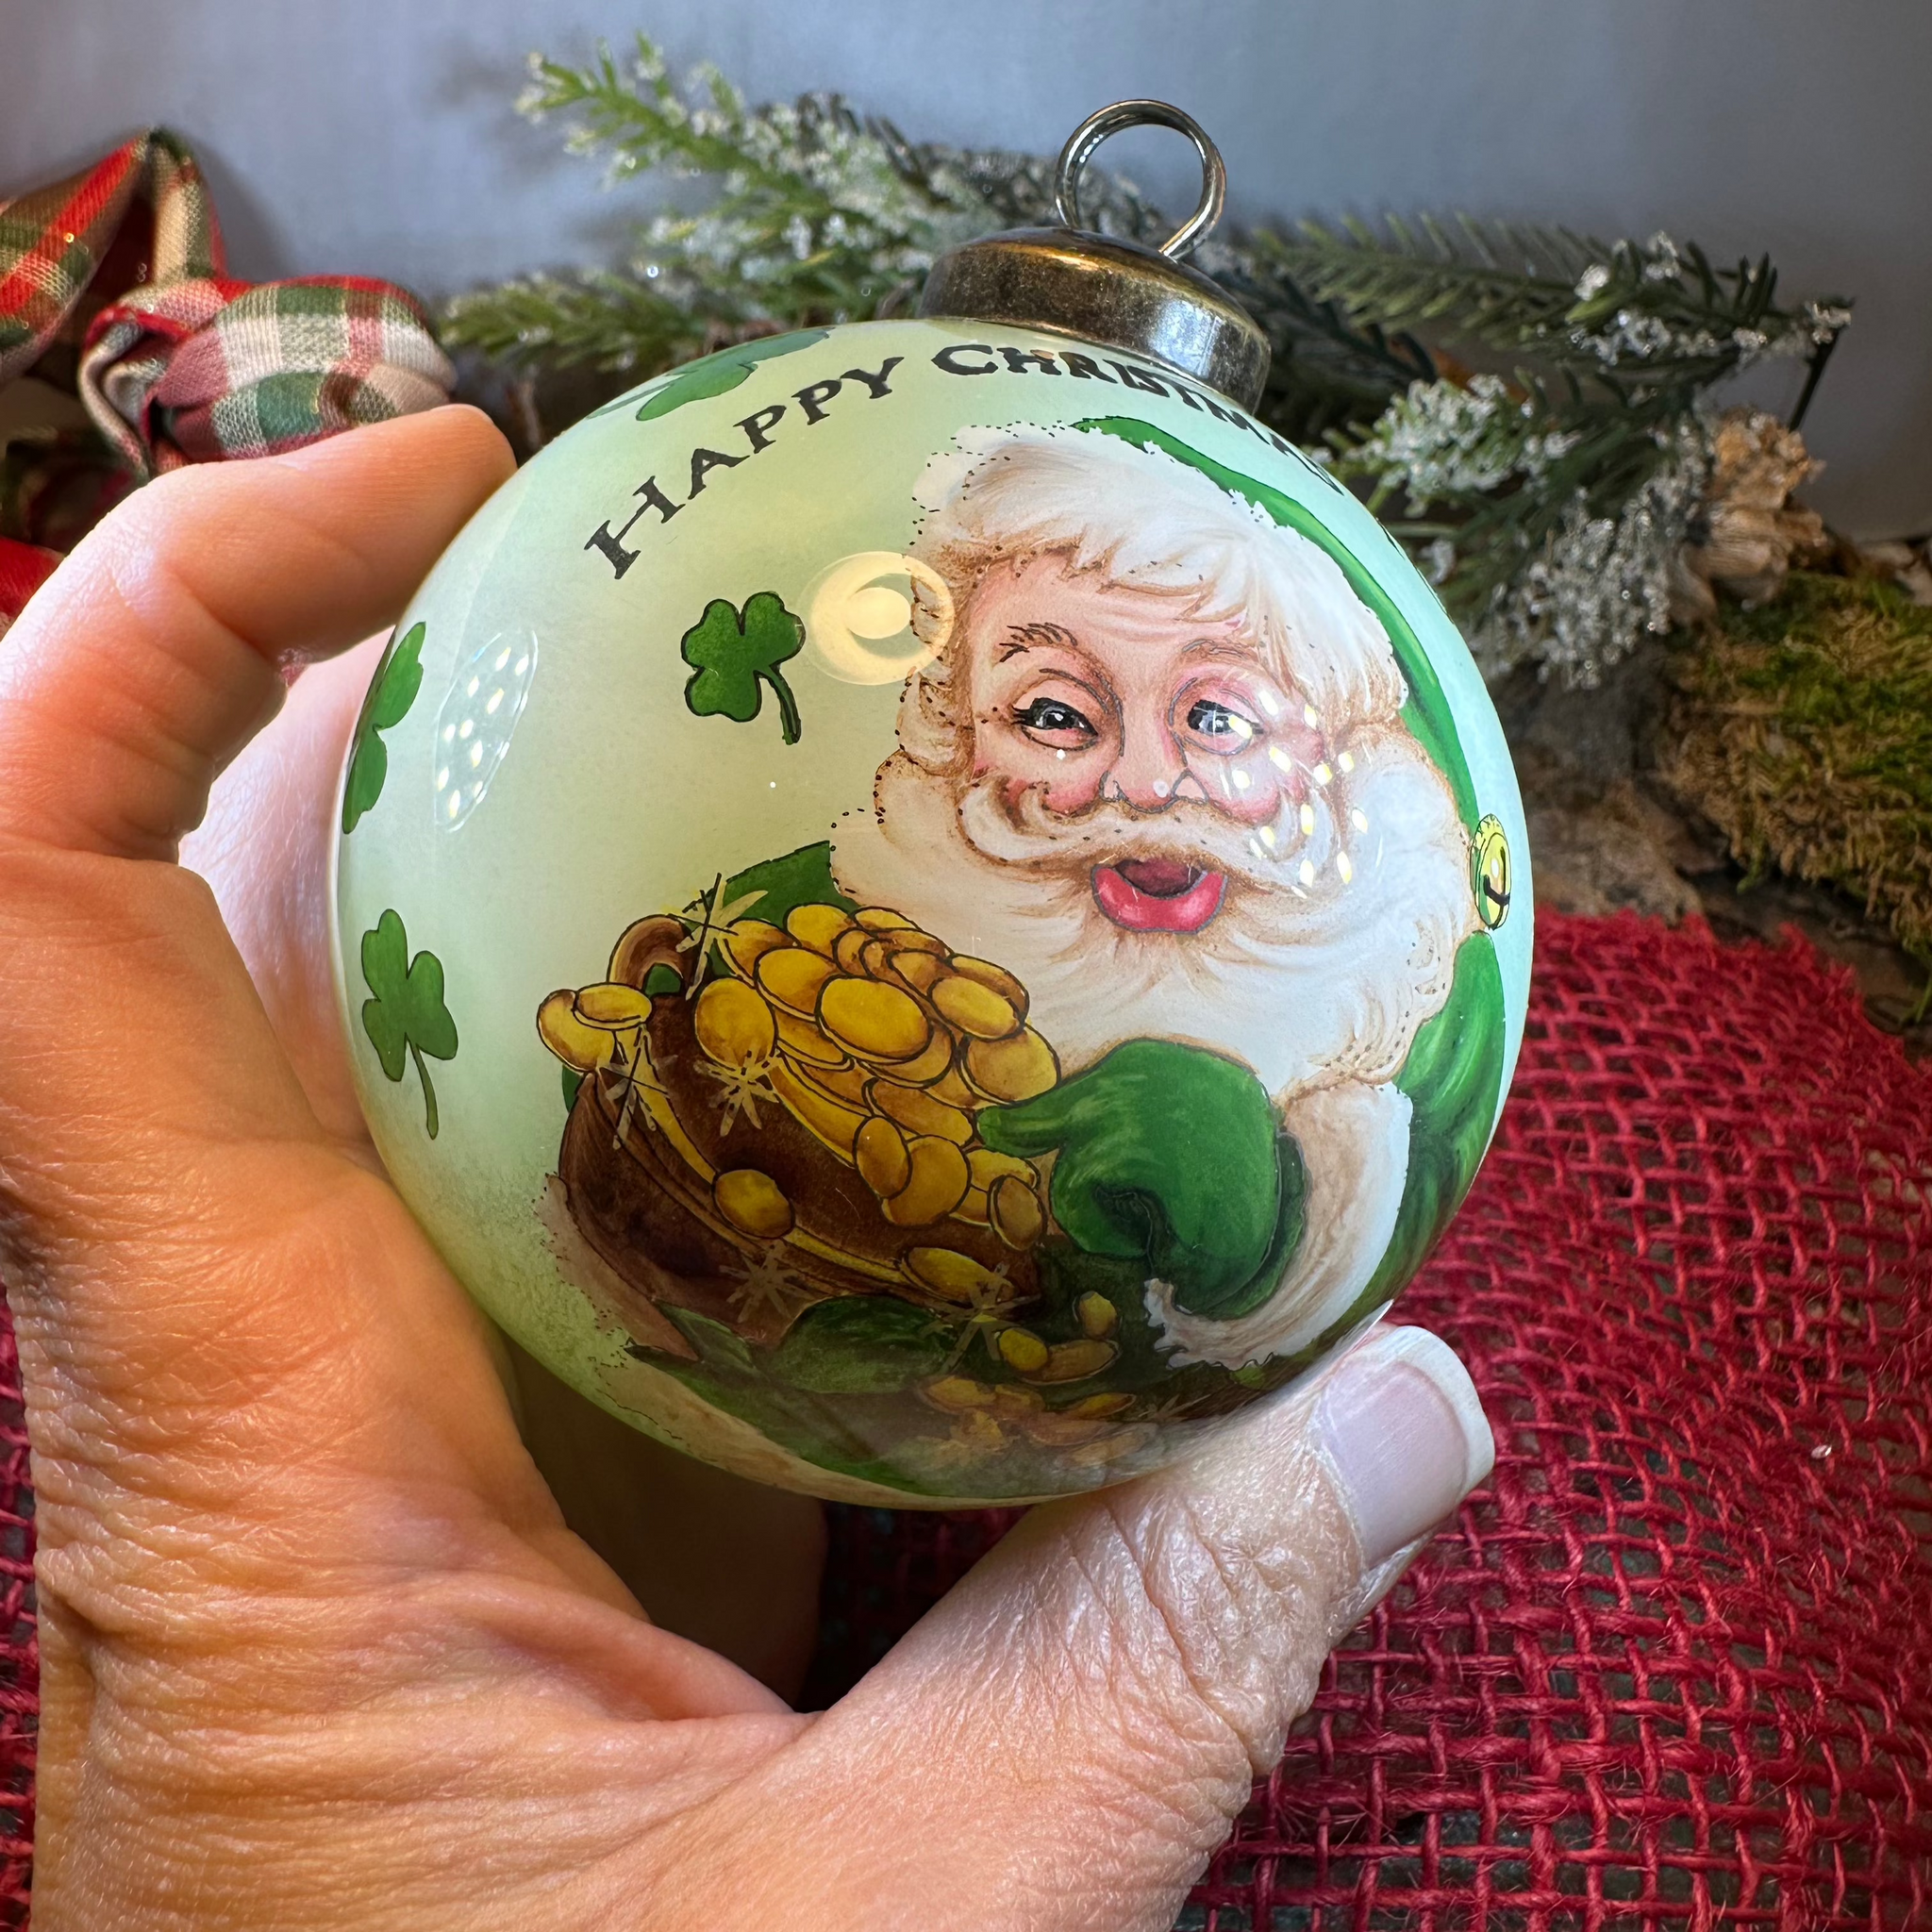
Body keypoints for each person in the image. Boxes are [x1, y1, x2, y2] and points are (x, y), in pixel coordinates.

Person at [0, 406, 1493, 1928]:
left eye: (1221, 722)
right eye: (1055, 715)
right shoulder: (821, 917)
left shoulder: (1388, 969)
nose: (1138, 781)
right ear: (954, 726)